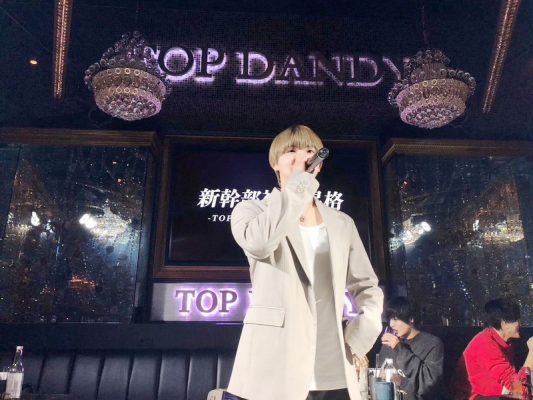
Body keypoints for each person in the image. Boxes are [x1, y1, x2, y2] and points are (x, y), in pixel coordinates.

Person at [227, 125, 384, 400]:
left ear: (319, 164)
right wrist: (298, 186)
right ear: (274, 163)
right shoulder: (252, 211)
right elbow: (260, 243)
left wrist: (360, 337)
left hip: (333, 365)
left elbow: (367, 286)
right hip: (273, 363)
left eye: (309, 151)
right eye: (291, 151)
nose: (301, 157)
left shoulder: (341, 223)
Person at [453, 298, 533, 400]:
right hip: (475, 397)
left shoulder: (504, 341)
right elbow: (519, 390)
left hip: (497, 394)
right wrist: (532, 352)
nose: (520, 324)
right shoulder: (485, 345)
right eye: (516, 320)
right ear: (504, 323)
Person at [378, 296, 445, 400]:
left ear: (411, 319)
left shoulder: (432, 344)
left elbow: (428, 385)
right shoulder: (388, 345)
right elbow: (380, 377)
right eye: (390, 319)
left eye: (395, 319)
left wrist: (398, 348)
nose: (391, 324)